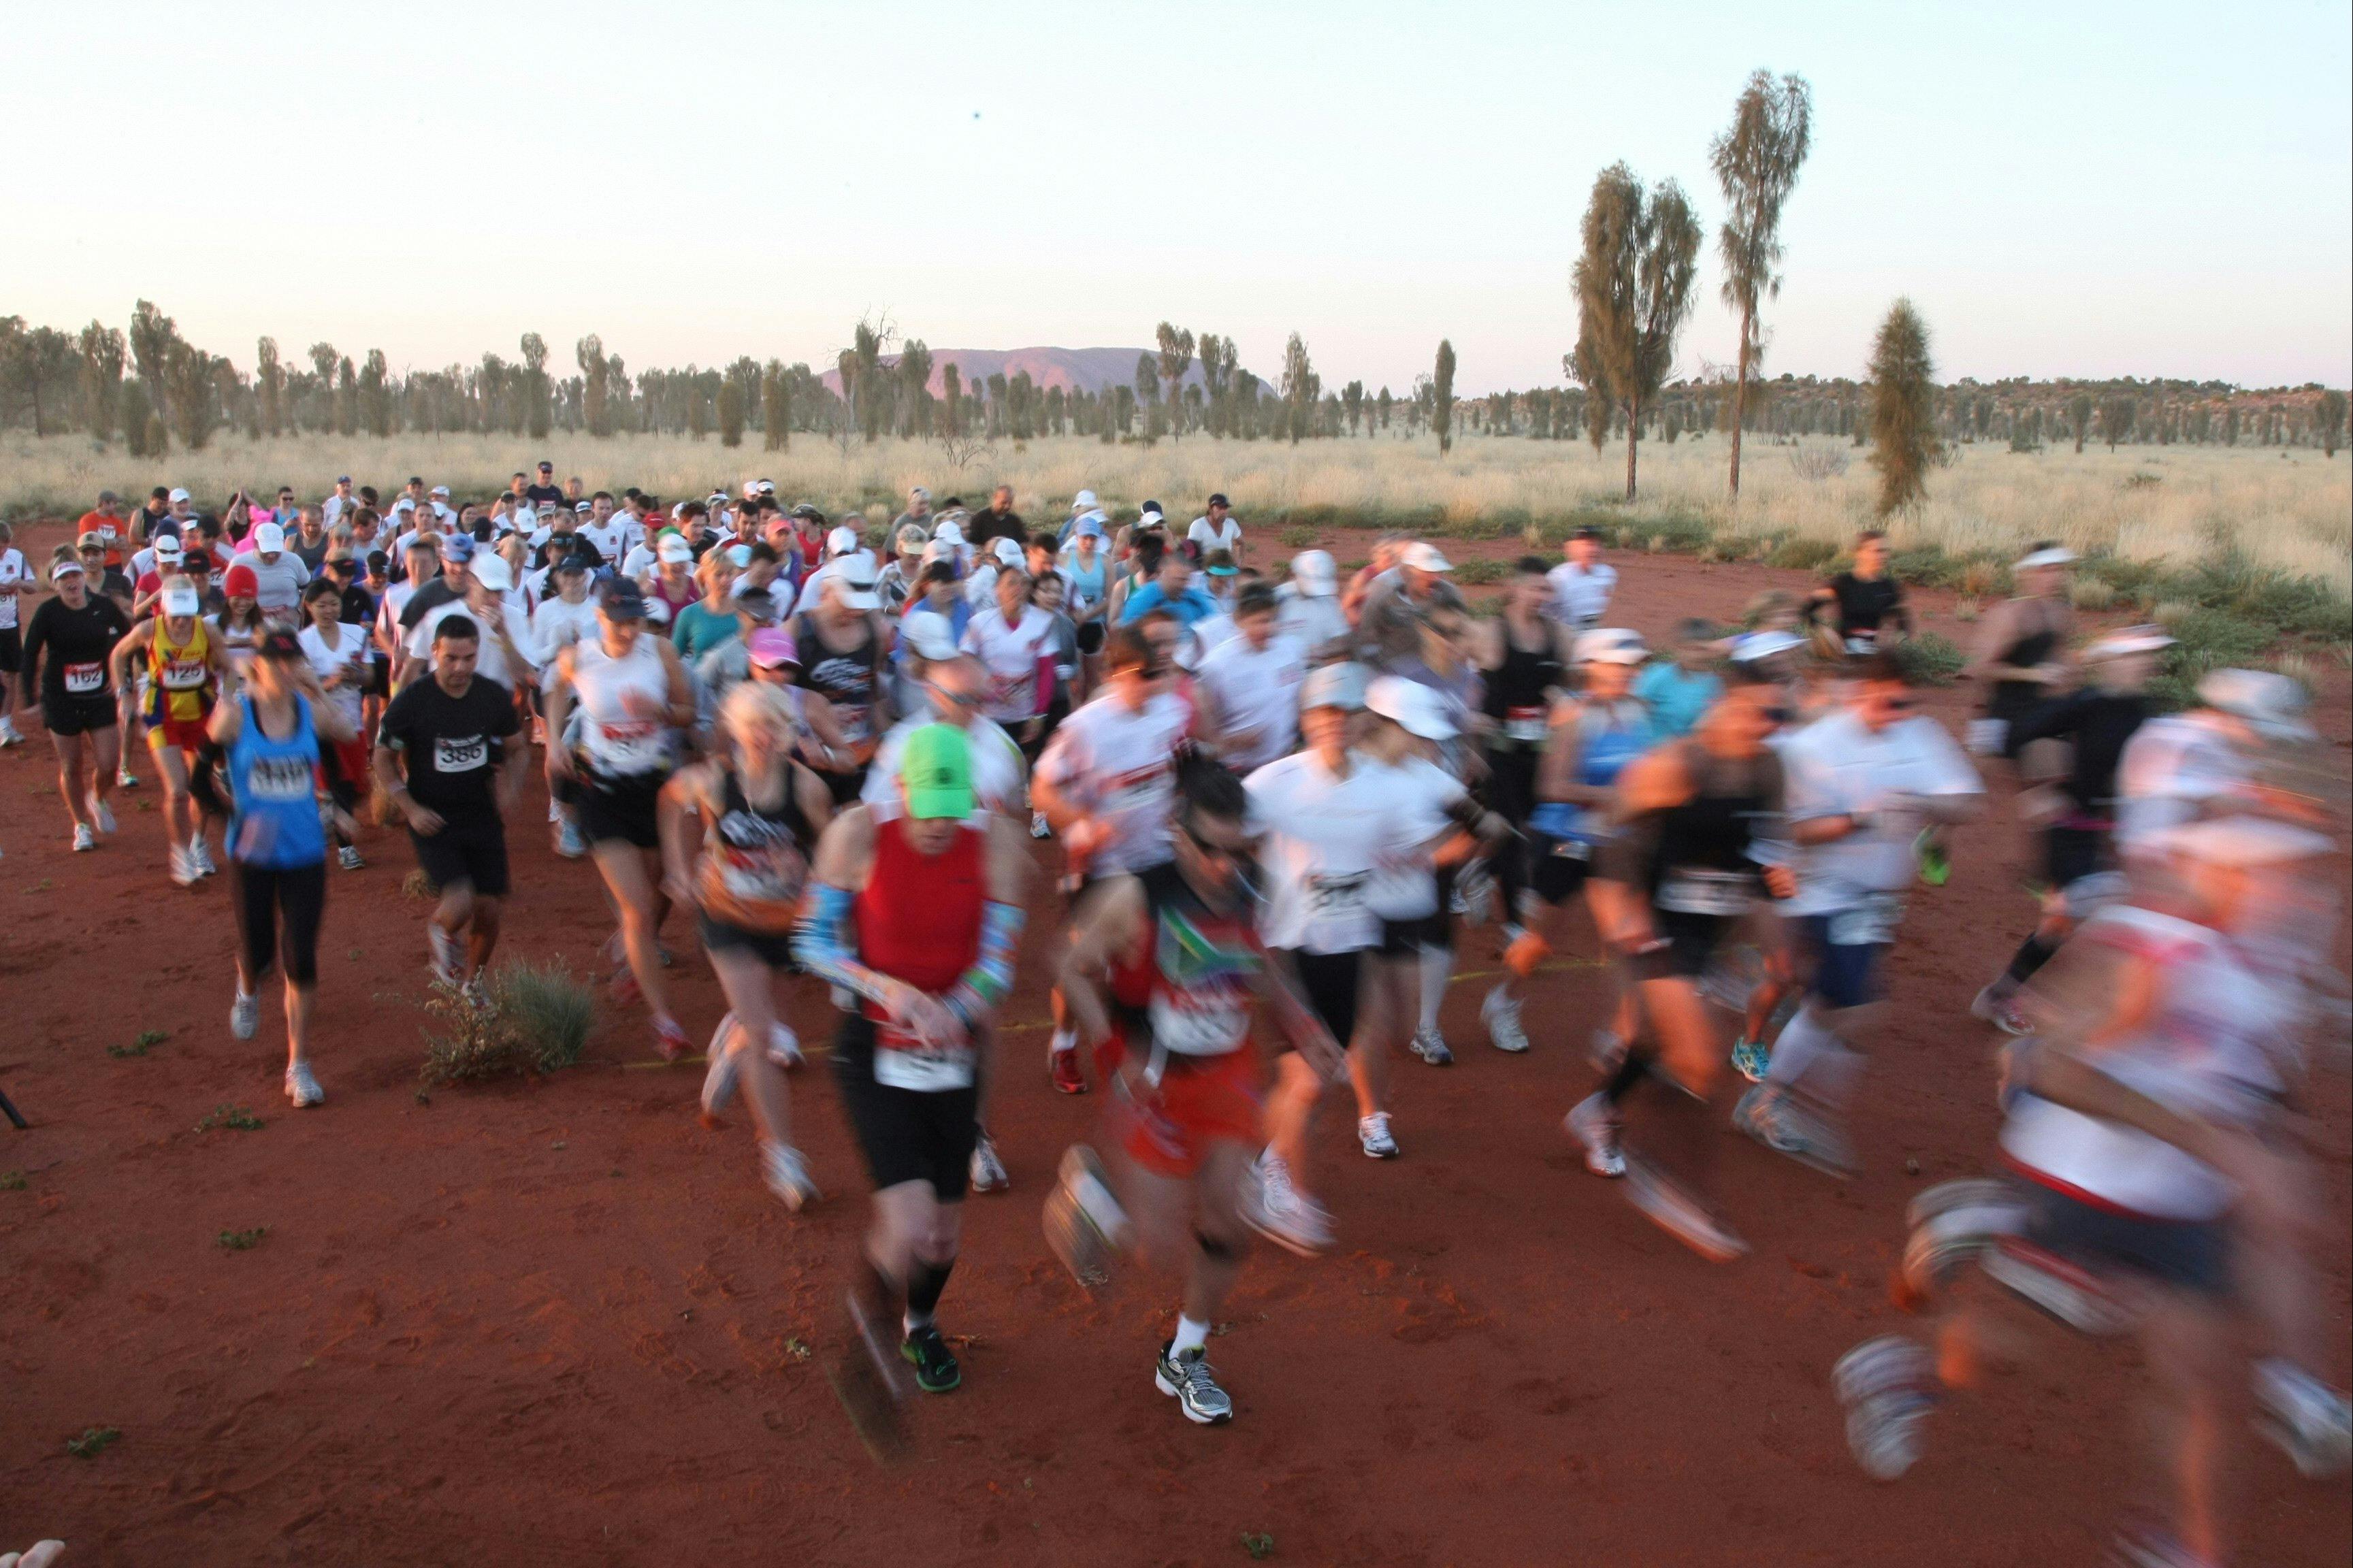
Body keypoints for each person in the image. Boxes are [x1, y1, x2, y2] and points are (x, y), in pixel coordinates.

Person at [1834, 820, 2322, 1567]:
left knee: (2199, 1379)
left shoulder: (2269, 969)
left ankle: (2188, 1549)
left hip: (2184, 1205)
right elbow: (2059, 1072)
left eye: (2295, 874)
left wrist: (2269, 1136)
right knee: (2005, 1348)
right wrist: (2212, 1141)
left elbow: (2260, 1078)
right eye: (2265, 874)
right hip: (2079, 1184)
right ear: (2213, 877)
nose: (2289, 891)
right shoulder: (2145, 945)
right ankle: (1905, 1375)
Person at [1046, 750, 1344, 1426]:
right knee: (1154, 1247)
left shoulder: (1246, 884)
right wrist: (1112, 1050)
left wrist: (1304, 1028)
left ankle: (1186, 1356)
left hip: (1226, 1073)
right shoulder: (1136, 895)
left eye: (1237, 852)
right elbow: (1067, 964)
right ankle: (1095, 1189)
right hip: (1154, 1077)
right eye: (1210, 849)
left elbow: (1264, 969)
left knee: (1226, 1226)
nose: (1225, 866)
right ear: (1179, 833)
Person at [794, 725, 1031, 1419]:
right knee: (907, 1220)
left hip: (952, 1054)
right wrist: (885, 989)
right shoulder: (857, 835)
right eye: (926, 807)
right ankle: (863, 1356)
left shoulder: (1000, 849)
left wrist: (956, 1005)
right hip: (872, 1045)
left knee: (942, 1235)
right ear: (898, 790)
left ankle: (918, 1325)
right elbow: (809, 940)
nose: (937, 824)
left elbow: (998, 962)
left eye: (950, 808)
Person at [1564, 672, 1791, 1262]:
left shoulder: (1768, 770)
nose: (1759, 724)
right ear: (1717, 709)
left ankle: (1598, 1109)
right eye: (1747, 710)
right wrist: (1623, 917)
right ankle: (1676, 1191)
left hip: (1708, 922)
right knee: (1695, 1058)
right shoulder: (1675, 765)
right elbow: (1614, 837)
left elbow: (1756, 850)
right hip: (1650, 916)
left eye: (1771, 715)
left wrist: (1770, 896)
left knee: (1652, 1039)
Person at [1734, 655, 1981, 1173]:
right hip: (1824, 892)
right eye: (1887, 701)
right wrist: (1862, 818)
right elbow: (1792, 830)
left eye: (1905, 703)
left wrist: (1923, 805)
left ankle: (1769, 1103)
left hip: (1879, 897)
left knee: (1831, 1007)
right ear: (1858, 693)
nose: (1897, 713)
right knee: (1856, 1009)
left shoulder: (1920, 734)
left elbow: (1965, 801)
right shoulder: (1812, 747)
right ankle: (1795, 1109)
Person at [659, 681, 834, 1209]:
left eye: (773, 726)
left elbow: (833, 850)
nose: (761, 736)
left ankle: (732, 1043)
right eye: (752, 725)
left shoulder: (806, 789)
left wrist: (818, 889)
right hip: (726, 915)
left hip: (786, 920)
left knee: (766, 1022)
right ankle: (780, 1154)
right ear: (733, 729)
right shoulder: (713, 780)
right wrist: (676, 868)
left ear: (785, 733)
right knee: (765, 1035)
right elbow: (670, 801)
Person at [1241, 662, 1384, 1253]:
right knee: (1304, 1075)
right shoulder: (1270, 783)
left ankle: (1257, 1161)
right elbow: (1215, 834)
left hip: (1346, 948)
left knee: (1319, 1075)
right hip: (1287, 950)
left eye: (1346, 713)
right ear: (1305, 720)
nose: (1335, 724)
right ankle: (1281, 1185)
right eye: (1324, 713)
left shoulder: (1380, 780)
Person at [1973, 625, 2173, 1034]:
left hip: (2115, 832)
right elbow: (2017, 735)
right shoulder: (2088, 703)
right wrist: (2042, 787)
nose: (2146, 664)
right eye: (2135, 656)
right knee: (2096, 916)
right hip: (2070, 831)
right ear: (2113, 662)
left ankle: (2001, 996)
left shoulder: (2147, 712)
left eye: (2150, 657)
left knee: (2062, 925)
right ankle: (2107, 1017)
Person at [1033, 624, 1195, 1094]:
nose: (1155, 683)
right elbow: (1041, 788)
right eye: (1145, 674)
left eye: (1160, 673)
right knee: (1085, 966)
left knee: (1154, 963)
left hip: (1159, 859)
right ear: (1118, 674)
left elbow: (1183, 767)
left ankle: (1135, 1057)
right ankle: (1064, 1039)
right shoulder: (1084, 727)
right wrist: (1080, 823)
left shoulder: (1171, 712)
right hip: (1101, 867)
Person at [545, 581, 698, 1055]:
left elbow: (687, 713)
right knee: (635, 908)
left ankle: (635, 955)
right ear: (599, 616)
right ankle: (665, 1021)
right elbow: (553, 691)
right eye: (620, 621)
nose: (629, 631)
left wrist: (660, 710)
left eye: (635, 620)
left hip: (653, 789)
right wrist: (553, 740)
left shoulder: (662, 651)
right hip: (602, 790)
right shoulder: (579, 657)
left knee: (661, 896)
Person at [1482, 628, 1650, 1057]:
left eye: (1633, 666)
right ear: (1591, 667)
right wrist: (1610, 798)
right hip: (1566, 839)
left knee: (1625, 940)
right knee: (1540, 942)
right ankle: (1505, 1001)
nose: (1629, 673)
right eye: (1619, 665)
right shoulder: (1573, 716)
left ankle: (1621, 1035)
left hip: (1614, 842)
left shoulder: (1637, 713)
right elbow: (1552, 784)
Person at [210, 630, 356, 1107]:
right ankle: (248, 987)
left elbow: (342, 743)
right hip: (251, 857)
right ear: (257, 666)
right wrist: (235, 816)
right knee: (259, 954)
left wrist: (339, 806)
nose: (285, 669)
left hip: (304, 853)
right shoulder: (235, 716)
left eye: (292, 661)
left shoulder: (307, 710)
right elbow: (199, 778)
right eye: (276, 662)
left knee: (300, 956)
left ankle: (299, 1065)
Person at [375, 614, 530, 984]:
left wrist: (512, 785)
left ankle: (473, 985)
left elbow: (518, 748)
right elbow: (382, 756)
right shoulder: (413, 701)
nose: (460, 668)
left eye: (469, 658)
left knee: (490, 910)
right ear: (435, 652)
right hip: (433, 816)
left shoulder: (492, 697)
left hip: (482, 814)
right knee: (460, 898)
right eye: (451, 659)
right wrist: (409, 808)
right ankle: (440, 933)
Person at [1474, 558, 1569, 952]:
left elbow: (1567, 682)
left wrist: (1562, 698)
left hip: (1539, 748)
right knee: (1513, 832)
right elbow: (1469, 684)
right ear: (1514, 588)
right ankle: (1514, 921)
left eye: (1546, 589)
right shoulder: (1492, 631)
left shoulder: (1557, 634)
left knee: (1540, 825)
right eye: (1533, 587)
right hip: (1497, 749)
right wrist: (1472, 730)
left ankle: (1480, 870)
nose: (1540, 596)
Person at [108, 576, 230, 883]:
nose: (180, 622)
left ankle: (199, 843)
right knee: (177, 790)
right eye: (175, 615)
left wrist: (226, 699)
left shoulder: (208, 630)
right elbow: (118, 654)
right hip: (162, 716)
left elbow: (228, 668)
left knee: (200, 788)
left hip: (200, 716)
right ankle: (180, 853)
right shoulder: (149, 630)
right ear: (164, 610)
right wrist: (123, 692)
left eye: (186, 615)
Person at [20, 557, 131, 851]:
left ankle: (99, 798)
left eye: (75, 576)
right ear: (55, 585)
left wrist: (124, 677)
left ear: (84, 578)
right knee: (72, 765)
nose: (71, 582)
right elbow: (30, 653)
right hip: (60, 697)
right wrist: (31, 699)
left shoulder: (104, 607)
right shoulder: (48, 613)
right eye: (64, 579)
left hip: (99, 695)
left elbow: (128, 641)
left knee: (109, 763)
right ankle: (80, 825)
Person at [792, 558, 892, 801]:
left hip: (862, 754)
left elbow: (873, 690)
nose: (856, 612)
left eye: (861, 606)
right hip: (811, 758)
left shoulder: (875, 631)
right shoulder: (796, 631)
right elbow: (772, 699)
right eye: (847, 604)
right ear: (826, 591)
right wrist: (815, 716)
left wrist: (888, 741)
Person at [1964, 544, 2076, 756]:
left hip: (2046, 710)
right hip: (2008, 717)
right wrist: (2032, 674)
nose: (2054, 577)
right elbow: (1980, 668)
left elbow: (2063, 660)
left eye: (2058, 570)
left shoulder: (2060, 614)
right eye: (2045, 570)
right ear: (2026, 575)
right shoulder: (2007, 615)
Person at [297, 579, 376, 871]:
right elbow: (301, 686)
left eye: (333, 603)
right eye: (322, 605)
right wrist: (332, 682)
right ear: (309, 607)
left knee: (356, 785)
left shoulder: (356, 634)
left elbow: (369, 676)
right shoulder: (303, 641)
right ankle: (346, 848)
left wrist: (354, 675)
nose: (329, 610)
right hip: (321, 723)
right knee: (338, 784)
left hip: (352, 720)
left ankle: (327, 821)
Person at [1193, 582, 1305, 774]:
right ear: (1238, 621)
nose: (1268, 628)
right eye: (1259, 622)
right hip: (1239, 771)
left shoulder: (1291, 650)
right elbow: (1200, 723)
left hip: (1284, 763)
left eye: (1272, 620)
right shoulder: (1217, 665)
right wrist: (1229, 741)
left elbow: (1300, 699)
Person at [1807, 529, 1911, 655]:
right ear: (1860, 553)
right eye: (1876, 551)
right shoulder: (1843, 583)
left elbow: (1904, 624)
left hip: (1878, 653)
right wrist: (1823, 630)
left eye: (1885, 551)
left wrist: (1897, 638)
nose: (1882, 556)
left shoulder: (1890, 587)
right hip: (1846, 650)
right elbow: (1807, 609)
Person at [1634, 618, 1723, 741]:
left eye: (1703, 649)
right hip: (1655, 753)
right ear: (1678, 648)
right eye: (1690, 649)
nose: (1697, 656)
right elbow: (1632, 711)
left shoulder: (1716, 683)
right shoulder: (1658, 675)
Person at [1274, 549, 1349, 664]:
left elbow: (1341, 639)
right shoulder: (1278, 599)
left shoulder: (1328, 600)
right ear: (1295, 575)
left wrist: (1322, 651)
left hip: (1314, 670)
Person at [0, 521, 33, 747]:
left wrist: (20, 582)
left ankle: (5, 726)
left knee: (11, 675)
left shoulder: (16, 557)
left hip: (10, 625)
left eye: (3, 546)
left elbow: (33, 586)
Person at [1546, 527, 1616, 632]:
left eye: (1598, 545)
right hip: (1564, 638)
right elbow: (1542, 613)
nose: (1594, 550)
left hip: (1594, 638)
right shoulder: (1558, 578)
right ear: (1572, 548)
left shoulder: (1608, 574)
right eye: (1588, 545)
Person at [1186, 493, 1244, 564]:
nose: (1223, 511)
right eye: (1220, 508)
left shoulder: (1231, 524)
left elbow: (1241, 543)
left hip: (1226, 568)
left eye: (1225, 508)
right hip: (1205, 568)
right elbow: (1191, 550)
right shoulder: (1198, 525)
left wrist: (1239, 561)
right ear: (1210, 509)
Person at [965, 485, 1022, 551]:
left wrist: (1011, 547)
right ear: (995, 498)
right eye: (1004, 503)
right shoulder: (980, 518)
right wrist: (991, 547)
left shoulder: (1015, 521)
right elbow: (971, 544)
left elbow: (1024, 543)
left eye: (1010, 503)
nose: (1007, 506)